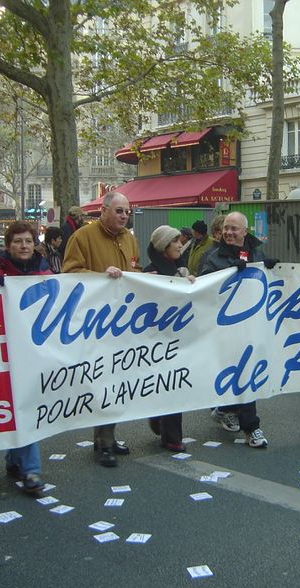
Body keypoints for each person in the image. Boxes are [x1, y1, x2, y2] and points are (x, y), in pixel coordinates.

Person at [62, 191, 138, 467]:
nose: (124, 216)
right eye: (119, 211)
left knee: (117, 382)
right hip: (95, 324)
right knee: (103, 383)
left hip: (123, 323)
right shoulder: (82, 237)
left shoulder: (129, 238)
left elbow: (134, 270)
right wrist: (101, 278)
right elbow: (69, 274)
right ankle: (103, 442)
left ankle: (107, 436)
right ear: (103, 211)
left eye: (127, 212)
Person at [0, 222, 51, 493]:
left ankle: (20, 462)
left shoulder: (46, 273)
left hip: (34, 353)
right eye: (18, 241)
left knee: (25, 407)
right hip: (4, 353)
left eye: (28, 241)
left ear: (35, 245)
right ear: (7, 246)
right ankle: (28, 468)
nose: (23, 246)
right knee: (18, 406)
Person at [200, 212, 270, 448]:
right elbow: (204, 288)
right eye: (226, 228)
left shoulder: (256, 252)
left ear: (245, 231)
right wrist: (230, 273)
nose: (229, 233)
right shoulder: (213, 258)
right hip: (226, 326)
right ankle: (250, 426)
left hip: (251, 325)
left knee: (246, 371)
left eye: (234, 229)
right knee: (237, 371)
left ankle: (231, 411)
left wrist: (269, 270)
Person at [142, 225, 195, 452]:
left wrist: (193, 284)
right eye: (175, 241)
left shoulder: (181, 271)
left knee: (174, 384)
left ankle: (170, 434)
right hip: (156, 339)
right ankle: (167, 429)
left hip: (178, 337)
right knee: (164, 383)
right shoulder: (150, 272)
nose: (180, 245)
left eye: (179, 241)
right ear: (164, 247)